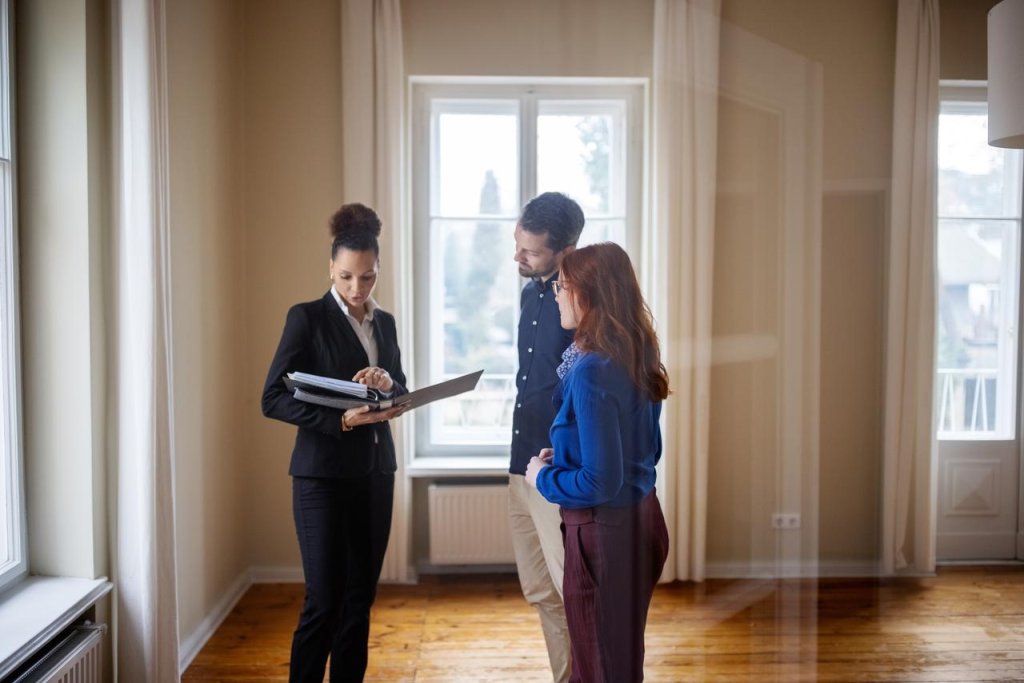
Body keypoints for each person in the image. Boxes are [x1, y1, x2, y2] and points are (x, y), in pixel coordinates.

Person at [262, 203, 407, 683]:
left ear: (378, 270)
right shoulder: (305, 318)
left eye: (367, 277)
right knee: (323, 600)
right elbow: (272, 398)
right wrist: (340, 420)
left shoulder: (383, 324)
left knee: (359, 598)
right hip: (321, 476)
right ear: (330, 267)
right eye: (346, 276)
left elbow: (400, 391)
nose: (356, 289)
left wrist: (387, 386)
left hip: (374, 473)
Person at [525, 242, 670, 683]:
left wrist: (544, 477)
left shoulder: (591, 367)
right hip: (642, 522)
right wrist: (567, 455)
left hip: (602, 536)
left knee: (602, 669)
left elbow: (600, 482)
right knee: (620, 661)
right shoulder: (635, 351)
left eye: (563, 286)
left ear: (589, 295)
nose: (556, 293)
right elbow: (643, 451)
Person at [509, 191, 585, 683]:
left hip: (555, 467)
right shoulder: (530, 292)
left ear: (564, 250)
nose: (517, 257)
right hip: (519, 460)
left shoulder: (582, 299)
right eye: (517, 243)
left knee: (569, 590)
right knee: (539, 589)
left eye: (529, 251)